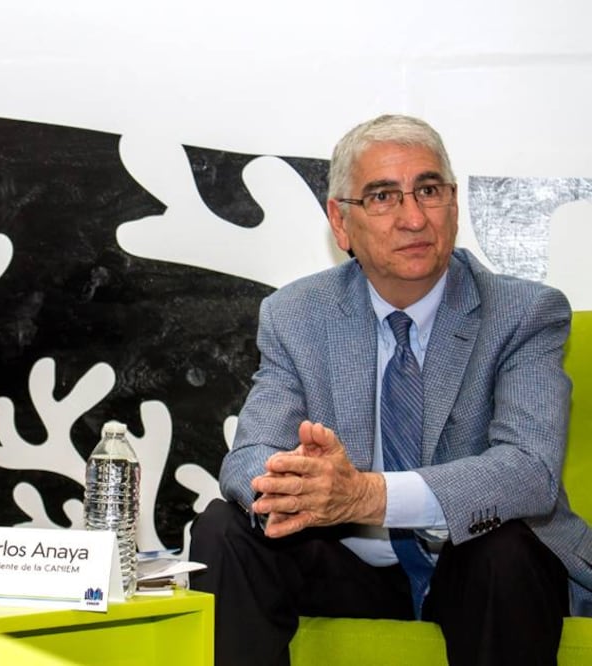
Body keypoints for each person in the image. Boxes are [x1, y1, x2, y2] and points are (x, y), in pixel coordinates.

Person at [189, 114, 592, 666]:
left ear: (453, 204)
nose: (413, 218)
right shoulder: (296, 314)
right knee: (224, 528)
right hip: (353, 572)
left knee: (504, 549)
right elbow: (249, 456)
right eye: (382, 197)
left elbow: (530, 471)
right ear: (340, 222)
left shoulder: (523, 312)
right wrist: (299, 487)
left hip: (477, 567)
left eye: (428, 190)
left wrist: (367, 494)